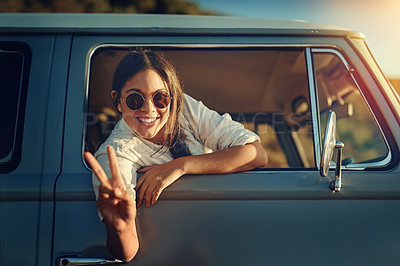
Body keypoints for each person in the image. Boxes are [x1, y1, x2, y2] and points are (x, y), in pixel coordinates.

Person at [84, 48, 268, 262]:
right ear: (117, 100)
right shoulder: (115, 155)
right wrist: (121, 227)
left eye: (160, 98)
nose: (148, 109)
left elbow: (256, 154)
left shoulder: (184, 108)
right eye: (135, 99)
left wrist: (181, 166)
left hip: (218, 235)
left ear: (172, 97)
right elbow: (126, 253)